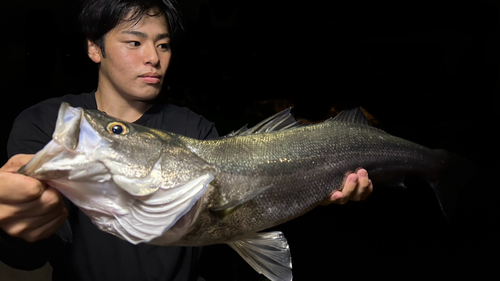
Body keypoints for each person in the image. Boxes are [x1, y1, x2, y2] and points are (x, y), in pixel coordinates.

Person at [0, 0, 373, 280]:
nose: (154, 59)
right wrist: (11, 220)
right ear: (94, 48)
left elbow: (232, 228)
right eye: (134, 42)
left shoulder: (194, 129)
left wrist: (315, 182)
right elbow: (27, 256)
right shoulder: (49, 124)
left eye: (163, 45)